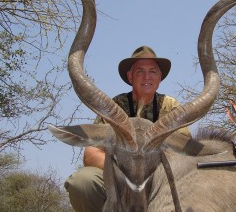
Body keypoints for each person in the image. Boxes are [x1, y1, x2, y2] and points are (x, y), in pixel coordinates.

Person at [64, 46, 190, 211]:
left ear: (160, 77)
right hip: (120, 183)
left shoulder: (171, 107)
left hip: (160, 185)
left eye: (152, 71)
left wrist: (147, 175)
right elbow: (91, 154)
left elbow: (185, 154)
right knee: (82, 182)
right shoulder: (114, 107)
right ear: (130, 76)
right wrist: (127, 173)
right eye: (140, 72)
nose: (147, 76)